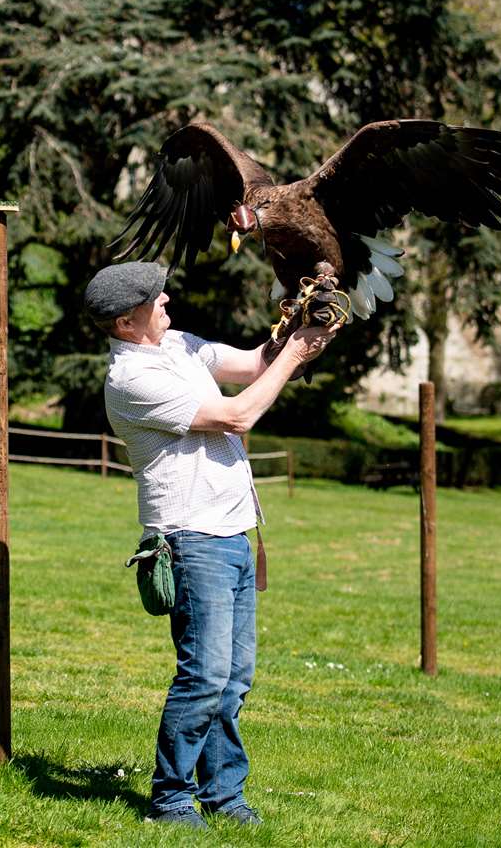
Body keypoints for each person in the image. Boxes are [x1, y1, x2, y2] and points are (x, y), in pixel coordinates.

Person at [84, 260, 339, 829]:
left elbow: (253, 366)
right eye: (155, 298)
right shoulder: (130, 380)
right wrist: (296, 354)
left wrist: (302, 325)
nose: (168, 299)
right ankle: (171, 799)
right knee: (204, 674)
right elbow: (238, 414)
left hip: (232, 535)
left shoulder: (179, 345)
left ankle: (223, 796)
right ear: (126, 323)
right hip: (190, 539)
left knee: (233, 679)